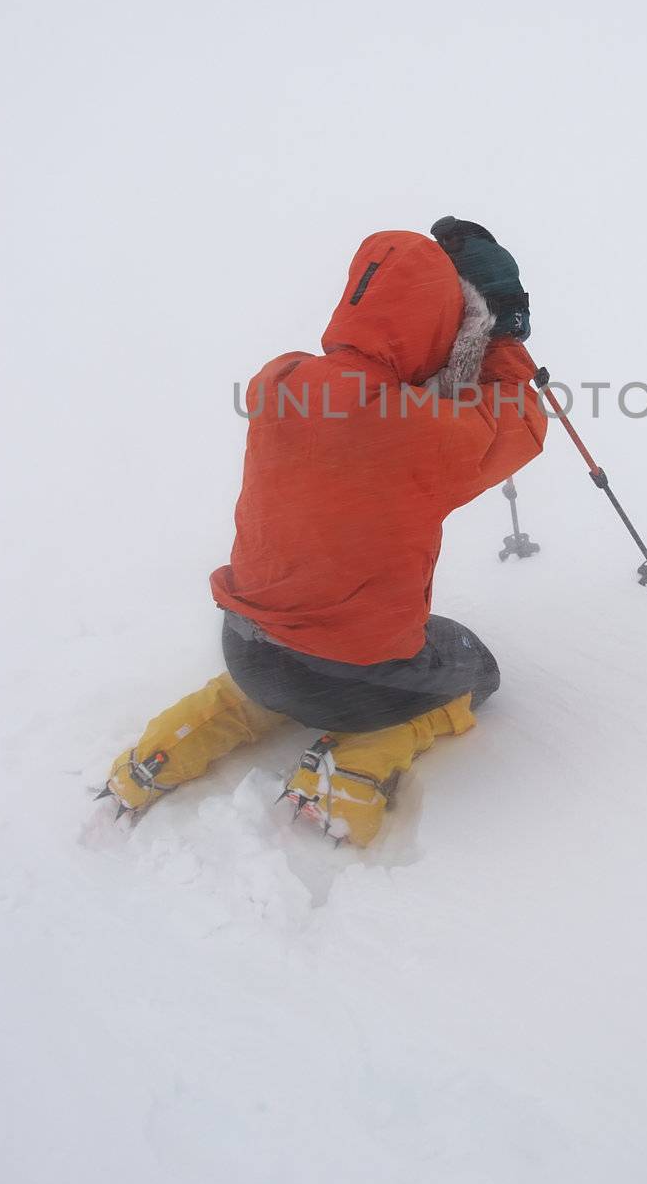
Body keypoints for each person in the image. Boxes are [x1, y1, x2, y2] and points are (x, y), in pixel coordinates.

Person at [100, 219, 547, 845]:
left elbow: (357, 409)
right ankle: (363, 758)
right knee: (476, 668)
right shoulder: (419, 428)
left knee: (281, 668)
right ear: (441, 322)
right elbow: (521, 424)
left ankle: (179, 741)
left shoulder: (278, 381)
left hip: (246, 646)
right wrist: (501, 326)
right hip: (353, 677)